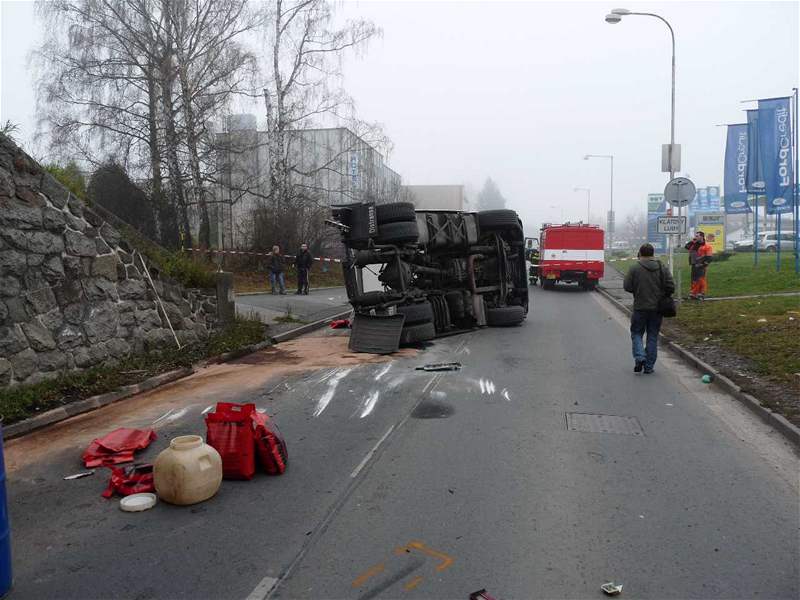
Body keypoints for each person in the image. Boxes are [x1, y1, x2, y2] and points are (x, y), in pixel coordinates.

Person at [623, 243, 675, 374]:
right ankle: (649, 366)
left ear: (640, 253)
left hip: (640, 307)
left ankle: (640, 357)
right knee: (652, 335)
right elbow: (671, 286)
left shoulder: (634, 268)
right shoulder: (661, 267)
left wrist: (638, 289)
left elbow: (627, 286)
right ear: (653, 253)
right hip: (657, 308)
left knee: (636, 333)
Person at [684, 231, 713, 300]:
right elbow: (686, 247)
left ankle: (701, 294)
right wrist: (692, 241)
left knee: (701, 279)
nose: (695, 237)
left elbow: (709, 257)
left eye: (697, 236)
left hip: (701, 264)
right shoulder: (694, 245)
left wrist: (704, 264)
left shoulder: (707, 246)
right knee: (694, 279)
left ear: (702, 237)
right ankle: (693, 294)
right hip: (694, 264)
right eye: (695, 236)